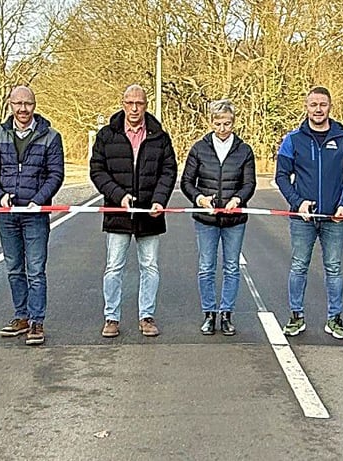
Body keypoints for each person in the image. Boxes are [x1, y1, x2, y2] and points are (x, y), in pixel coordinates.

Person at [90, 84, 178, 338]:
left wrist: (160, 200)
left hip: (150, 213)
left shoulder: (159, 136)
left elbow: (168, 171)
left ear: (146, 105)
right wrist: (119, 196)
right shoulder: (107, 135)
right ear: (123, 103)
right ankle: (111, 318)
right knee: (113, 267)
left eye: (139, 103)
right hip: (118, 213)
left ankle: (146, 317)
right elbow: (97, 171)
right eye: (130, 103)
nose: (134, 108)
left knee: (149, 267)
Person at [275, 86, 343, 339]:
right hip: (303, 218)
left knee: (333, 268)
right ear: (306, 107)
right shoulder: (293, 139)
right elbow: (281, 176)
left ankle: (335, 318)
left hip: (334, 218)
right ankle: (295, 316)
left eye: (322, 104)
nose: (318, 109)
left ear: (330, 106)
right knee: (299, 266)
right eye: (313, 104)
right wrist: (297, 202)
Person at [0, 86, 65, 346]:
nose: (22, 109)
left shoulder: (51, 136)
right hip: (7, 214)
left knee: (36, 270)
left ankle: (37, 321)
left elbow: (56, 174)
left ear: (35, 105)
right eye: (17, 103)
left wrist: (38, 200)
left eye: (27, 103)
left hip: (35, 214)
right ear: (10, 105)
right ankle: (21, 316)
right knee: (14, 268)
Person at [180, 99, 256, 336]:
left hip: (234, 220)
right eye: (218, 123)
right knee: (206, 267)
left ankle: (226, 314)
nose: (223, 128)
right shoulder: (199, 148)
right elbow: (186, 182)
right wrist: (200, 199)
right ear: (210, 122)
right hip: (206, 220)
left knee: (232, 267)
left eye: (227, 123)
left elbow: (249, 184)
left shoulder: (244, 150)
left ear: (234, 122)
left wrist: (238, 200)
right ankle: (209, 313)